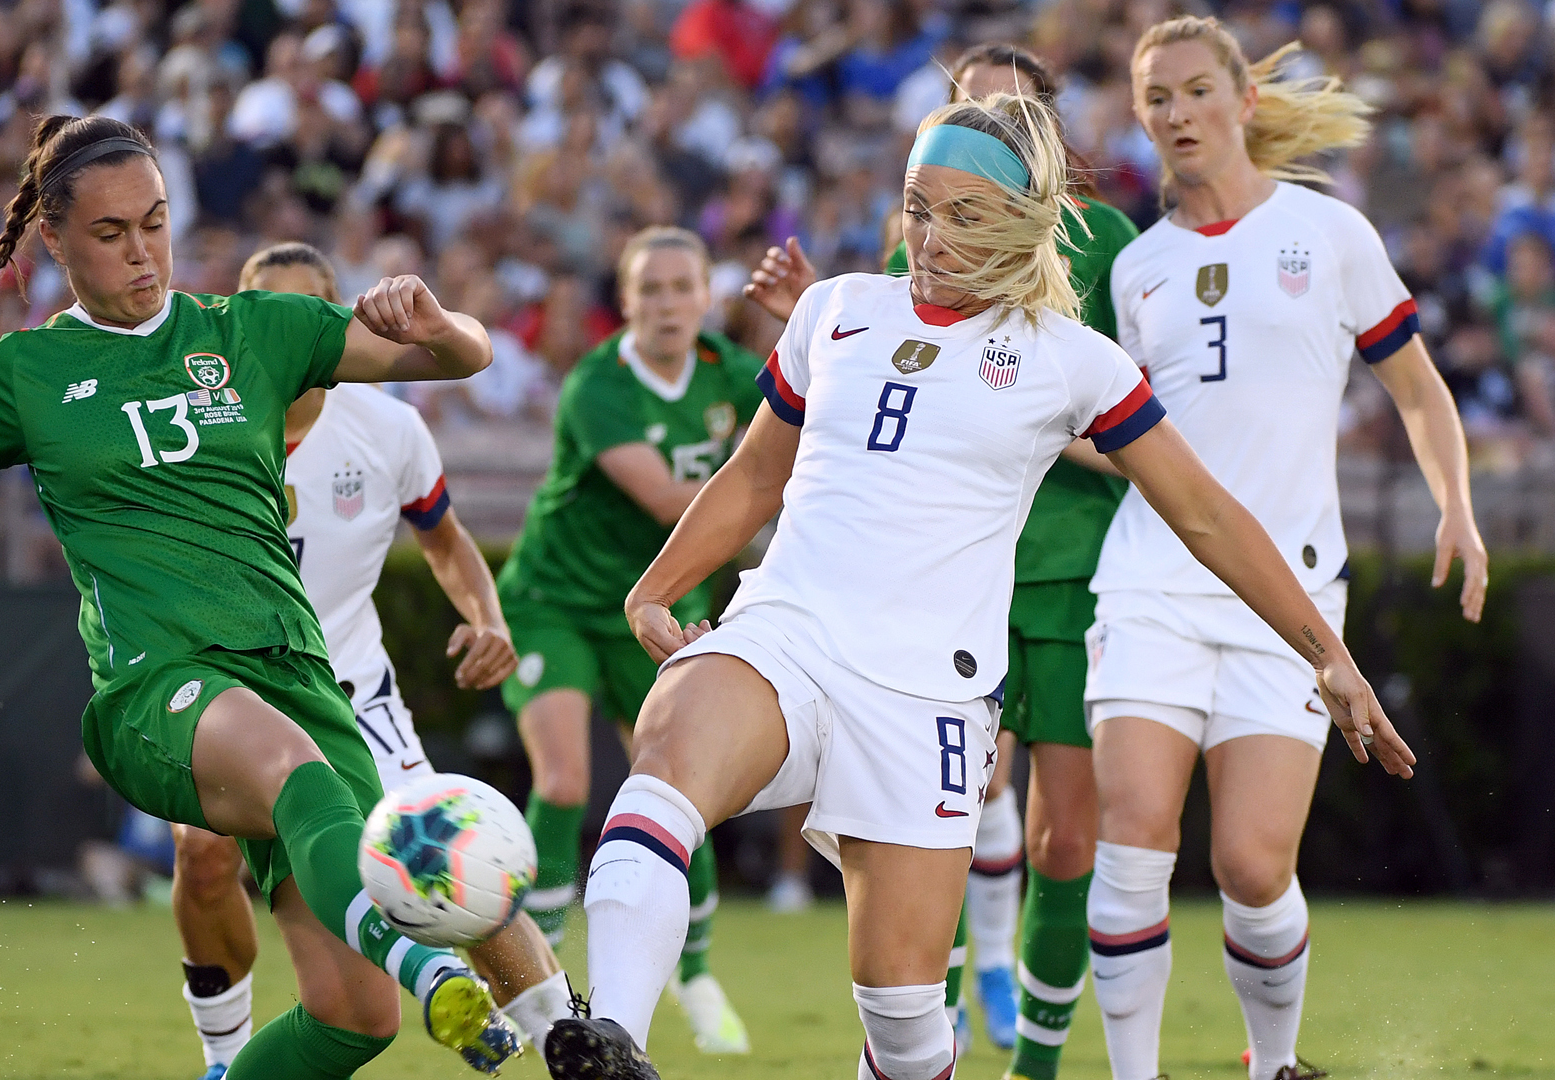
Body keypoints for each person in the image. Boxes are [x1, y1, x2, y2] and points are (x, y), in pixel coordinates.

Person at [540, 90, 1417, 1080]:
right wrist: (655, 591)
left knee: (908, 1020)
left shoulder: (1073, 361)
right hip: (786, 631)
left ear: (1018, 223)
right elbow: (752, 475)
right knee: (670, 746)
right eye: (919, 205)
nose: (930, 234)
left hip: (928, 699)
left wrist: (1329, 657)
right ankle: (613, 1039)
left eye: (962, 214)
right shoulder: (834, 311)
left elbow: (1209, 515)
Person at [0, 114, 525, 1080]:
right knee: (300, 781)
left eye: (155, 223)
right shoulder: (22, 374)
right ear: (54, 238)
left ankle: (392, 982)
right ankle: (424, 965)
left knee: (352, 1019)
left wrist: (439, 322)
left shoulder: (252, 330)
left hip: (299, 677)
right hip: (156, 688)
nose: (142, 252)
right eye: (112, 233)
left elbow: (464, 358)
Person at [1084, 19, 1486, 1080]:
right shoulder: (1138, 269)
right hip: (1151, 583)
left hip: (1292, 598)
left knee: (1253, 865)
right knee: (1131, 836)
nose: (1175, 113)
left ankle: (1275, 1066)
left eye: (1193, 90)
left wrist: (1458, 505)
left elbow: (1415, 386)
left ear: (1243, 101)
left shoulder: (1331, 233)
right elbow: (1120, 440)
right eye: (1154, 97)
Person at [742, 42, 1142, 1079]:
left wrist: (1066, 432)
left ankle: (1032, 1045)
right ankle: (935, 1014)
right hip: (930, 571)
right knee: (948, 798)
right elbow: (871, 397)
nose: (980, 128)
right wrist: (791, 319)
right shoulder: (911, 245)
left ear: (1048, 139)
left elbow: (1146, 420)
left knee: (1065, 836)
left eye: (1007, 112)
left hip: (1065, 564)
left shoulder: (1107, 245)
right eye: (964, 107)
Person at [165, 241, 572, 1080]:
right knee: (201, 858)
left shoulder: (389, 428)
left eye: (308, 308)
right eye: (266, 309)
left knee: (450, 851)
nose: (288, 329)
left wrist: (486, 616)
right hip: (232, 696)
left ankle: (571, 1039)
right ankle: (225, 1058)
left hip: (354, 694)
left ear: (338, 317)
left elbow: (449, 544)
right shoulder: (190, 429)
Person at [497, 224, 764, 1055]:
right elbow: (665, 500)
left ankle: (698, 975)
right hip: (559, 600)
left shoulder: (730, 374)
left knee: (689, 791)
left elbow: (793, 443)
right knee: (567, 778)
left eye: (683, 286)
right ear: (627, 300)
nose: (669, 303)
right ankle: (537, 990)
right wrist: (763, 489)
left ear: (707, 296)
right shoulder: (597, 384)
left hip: (665, 602)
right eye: (651, 288)